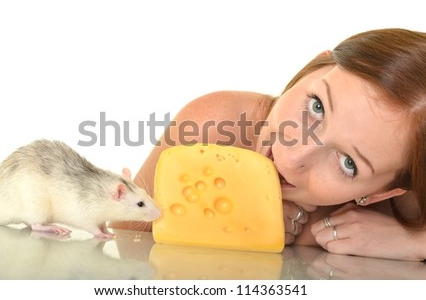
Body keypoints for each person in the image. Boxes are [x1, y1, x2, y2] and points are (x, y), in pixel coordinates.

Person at [112, 28, 426, 261]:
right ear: (314, 66)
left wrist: (414, 242)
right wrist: (229, 223)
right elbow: (119, 242)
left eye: (348, 163)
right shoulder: (216, 125)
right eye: (316, 107)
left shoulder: (404, 203)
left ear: (382, 192)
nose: (293, 156)